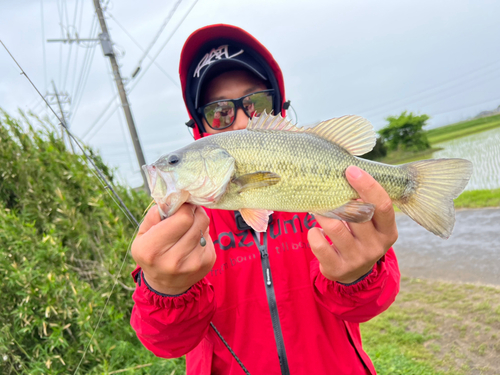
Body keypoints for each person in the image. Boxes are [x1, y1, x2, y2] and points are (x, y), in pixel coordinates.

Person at [130, 24, 400, 375]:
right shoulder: (178, 232)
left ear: (279, 105)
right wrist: (165, 290)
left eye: (257, 104)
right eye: (219, 112)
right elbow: (165, 343)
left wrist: (359, 275)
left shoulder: (324, 209)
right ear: (200, 126)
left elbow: (370, 303)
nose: (241, 120)